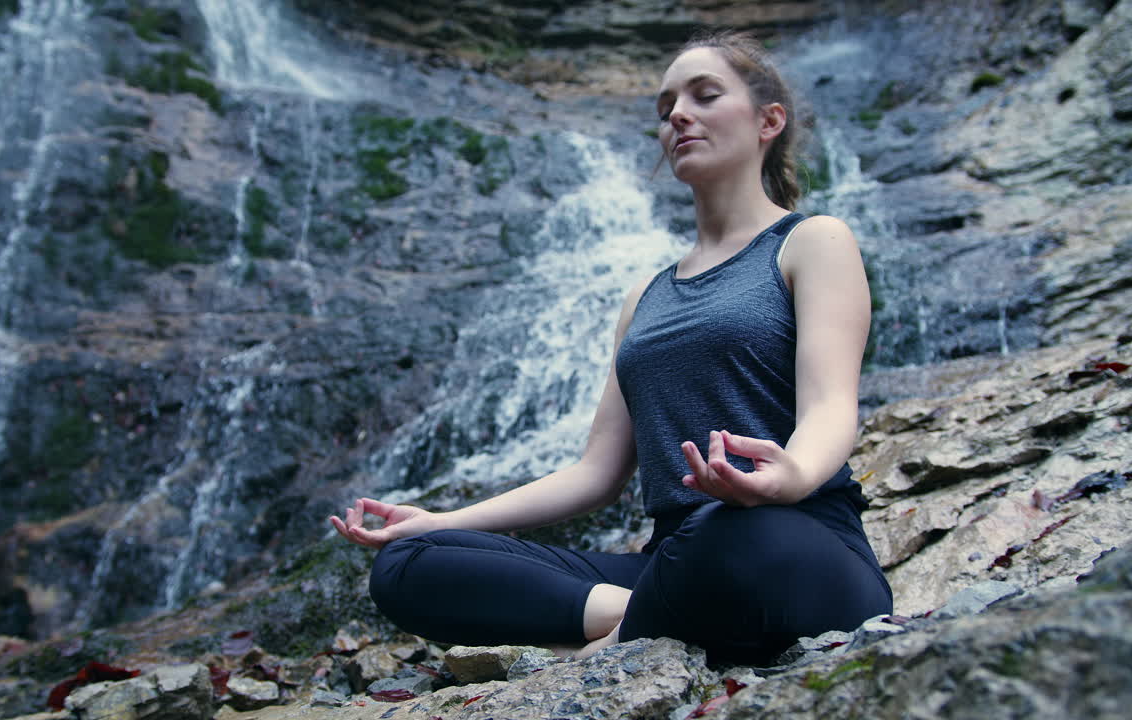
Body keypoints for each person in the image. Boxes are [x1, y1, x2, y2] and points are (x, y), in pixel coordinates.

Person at [330, 29, 892, 665]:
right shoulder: (644, 298)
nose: (678, 115)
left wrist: (789, 477)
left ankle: (621, 638)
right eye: (666, 108)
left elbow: (831, 406)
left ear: (769, 121)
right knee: (409, 563)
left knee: (728, 533)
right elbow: (595, 474)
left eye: (705, 95)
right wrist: (441, 520)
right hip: (676, 559)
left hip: (794, 539)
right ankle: (637, 618)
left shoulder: (812, 241)